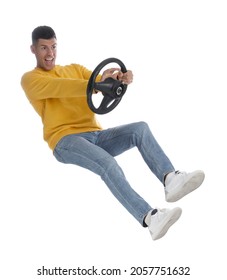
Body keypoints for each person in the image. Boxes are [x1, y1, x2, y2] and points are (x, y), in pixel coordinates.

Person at [21, 26, 205, 241]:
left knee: (140, 128)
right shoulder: (30, 79)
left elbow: (98, 81)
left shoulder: (75, 69)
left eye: (53, 47)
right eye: (44, 48)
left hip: (96, 136)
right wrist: (97, 84)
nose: (50, 53)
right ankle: (149, 217)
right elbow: (62, 87)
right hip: (65, 140)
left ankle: (170, 179)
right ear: (33, 49)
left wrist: (117, 78)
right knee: (108, 164)